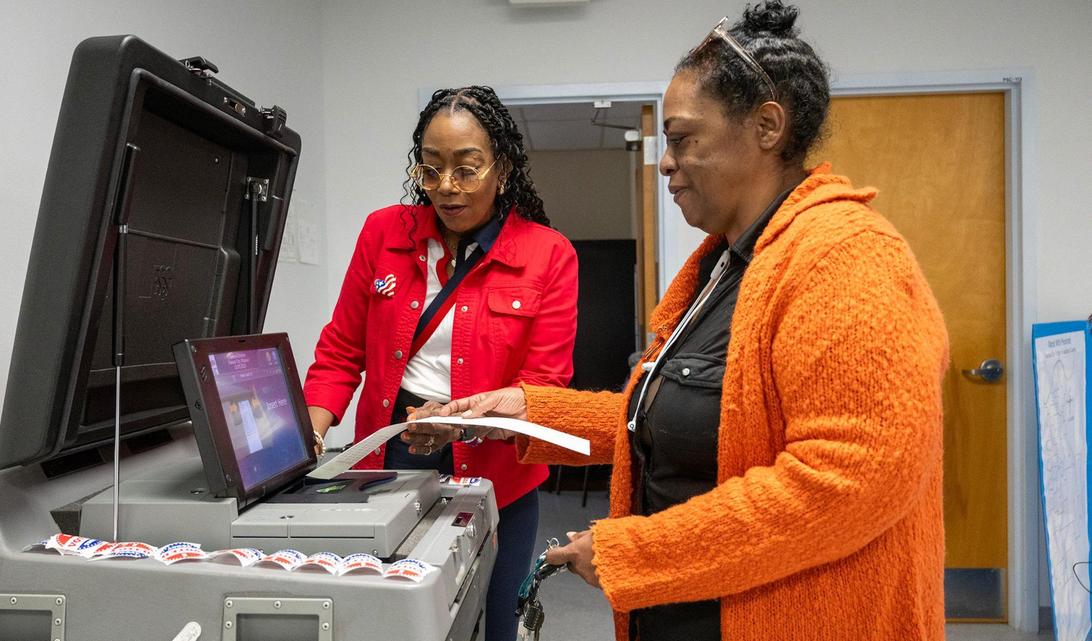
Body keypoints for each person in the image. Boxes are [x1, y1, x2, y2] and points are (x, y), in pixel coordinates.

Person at [404, 4, 950, 640]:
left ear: (767, 127)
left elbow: (847, 484)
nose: (665, 162)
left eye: (683, 138)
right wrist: (519, 412)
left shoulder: (846, 258)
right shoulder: (725, 265)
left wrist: (637, 552)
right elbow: (670, 418)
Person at [303, 86, 578, 641]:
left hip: (498, 472)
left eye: (467, 168)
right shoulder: (384, 233)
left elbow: (546, 388)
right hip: (391, 453)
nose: (446, 188)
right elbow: (340, 349)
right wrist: (311, 430)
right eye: (431, 170)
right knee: (394, 620)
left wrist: (460, 423)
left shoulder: (549, 254)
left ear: (502, 167)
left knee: (495, 620)